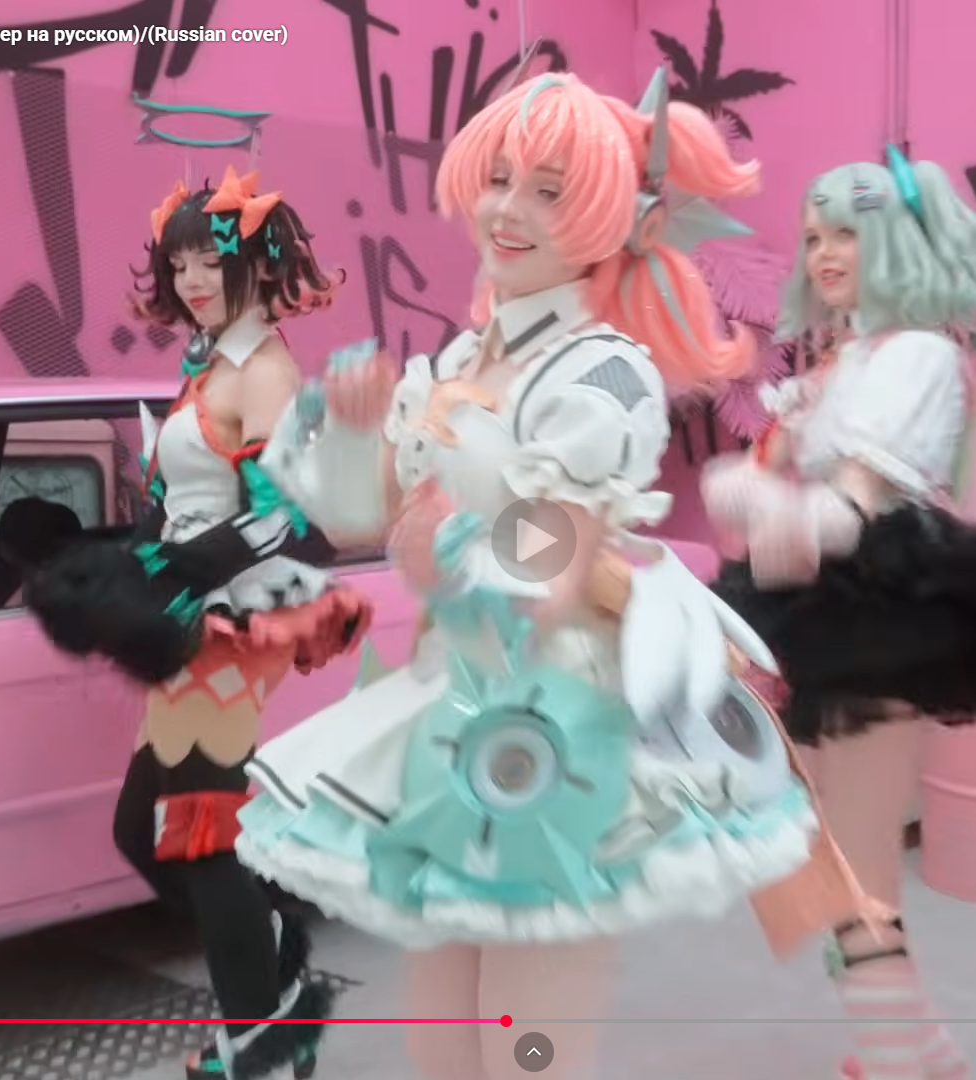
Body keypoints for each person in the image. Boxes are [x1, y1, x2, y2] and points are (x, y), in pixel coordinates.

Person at [234, 70, 820, 1080]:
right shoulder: (459, 361)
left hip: (555, 725)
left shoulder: (603, 372)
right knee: (442, 1038)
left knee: (530, 1048)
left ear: (611, 217)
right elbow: (356, 516)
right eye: (500, 179)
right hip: (452, 701)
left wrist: (445, 550)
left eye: (549, 191)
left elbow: (549, 565)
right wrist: (360, 433)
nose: (509, 211)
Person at [702, 152, 976, 1080]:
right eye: (814, 236)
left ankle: (898, 1054)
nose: (827, 253)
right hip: (831, 601)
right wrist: (764, 496)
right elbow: (805, 494)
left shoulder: (915, 354)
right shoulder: (852, 357)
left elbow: (851, 508)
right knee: (839, 847)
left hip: (876, 606)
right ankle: (914, 1046)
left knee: (856, 855)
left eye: (850, 233)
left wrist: (764, 505)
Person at [22, 166, 369, 1080]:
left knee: (202, 834)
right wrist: (128, 559)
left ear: (255, 261)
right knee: (143, 833)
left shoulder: (267, 370)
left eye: (209, 260)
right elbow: (179, 499)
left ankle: (260, 1035)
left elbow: (288, 519)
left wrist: (169, 569)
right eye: (178, 265)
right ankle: (279, 970)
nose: (192, 280)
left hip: (234, 619)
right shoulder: (211, 363)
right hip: (188, 615)